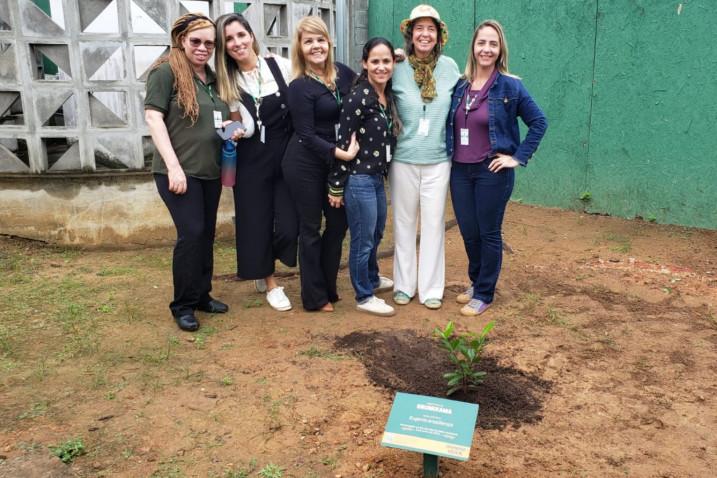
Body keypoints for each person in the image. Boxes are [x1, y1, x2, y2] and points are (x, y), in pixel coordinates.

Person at [446, 19, 547, 316]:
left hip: (492, 172)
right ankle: (476, 283)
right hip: (460, 171)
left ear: (500, 48)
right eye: (482, 43)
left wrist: (517, 157)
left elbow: (539, 122)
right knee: (468, 232)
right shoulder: (460, 85)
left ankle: (485, 292)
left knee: (489, 232)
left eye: (493, 43)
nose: (486, 49)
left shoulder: (511, 86)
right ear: (473, 47)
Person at [145, 13, 231, 332]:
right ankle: (182, 304)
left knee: (206, 235)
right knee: (191, 233)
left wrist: (236, 131)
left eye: (209, 43)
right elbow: (154, 118)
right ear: (181, 39)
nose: (203, 48)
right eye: (196, 41)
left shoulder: (213, 78)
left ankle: (201, 295)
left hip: (210, 172)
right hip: (178, 172)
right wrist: (173, 167)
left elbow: (220, 120)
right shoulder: (165, 72)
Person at [214, 13, 298, 312]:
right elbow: (242, 126)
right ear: (224, 48)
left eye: (241, 35)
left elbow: (315, 80)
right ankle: (270, 281)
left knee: (290, 224)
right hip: (251, 159)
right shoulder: (228, 82)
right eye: (229, 40)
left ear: (251, 35)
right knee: (255, 222)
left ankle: (264, 261)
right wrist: (228, 129)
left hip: (286, 155)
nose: (237, 43)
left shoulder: (281, 66)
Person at [283, 16, 358, 312]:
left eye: (320, 39)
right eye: (308, 41)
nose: (316, 46)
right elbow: (305, 134)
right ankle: (314, 297)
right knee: (311, 228)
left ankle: (329, 286)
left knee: (338, 225)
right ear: (300, 48)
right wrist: (341, 154)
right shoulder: (299, 86)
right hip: (305, 162)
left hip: (335, 163)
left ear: (329, 42)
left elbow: (369, 79)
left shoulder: (343, 74)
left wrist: (395, 58)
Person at [390, 5, 460, 310]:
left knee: (433, 224)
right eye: (419, 28)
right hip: (403, 158)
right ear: (409, 33)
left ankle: (431, 288)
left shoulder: (451, 68)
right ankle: (404, 285)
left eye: (431, 29)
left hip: (438, 159)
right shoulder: (396, 67)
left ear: (439, 35)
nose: (424, 34)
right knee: (404, 223)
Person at [328, 37, 398, 317]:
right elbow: (344, 142)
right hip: (358, 180)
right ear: (364, 64)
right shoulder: (358, 97)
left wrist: (400, 55)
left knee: (377, 232)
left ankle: (371, 276)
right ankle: (363, 294)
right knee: (362, 238)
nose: (381, 67)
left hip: (376, 177)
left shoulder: (385, 93)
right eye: (375, 61)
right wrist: (336, 185)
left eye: (387, 61)